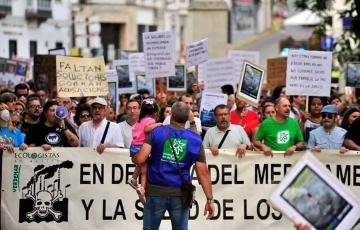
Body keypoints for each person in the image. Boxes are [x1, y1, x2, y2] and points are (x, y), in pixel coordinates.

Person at [134, 101, 215, 229]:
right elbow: (203, 172)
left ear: (171, 115)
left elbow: (140, 159)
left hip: (155, 191)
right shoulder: (195, 139)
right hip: (180, 194)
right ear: (188, 117)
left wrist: (134, 155)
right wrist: (210, 200)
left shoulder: (156, 132)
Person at [128, 98, 161, 204]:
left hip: (133, 148)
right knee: (145, 170)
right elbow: (146, 129)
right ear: (154, 112)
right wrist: (158, 124)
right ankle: (142, 188)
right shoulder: (151, 121)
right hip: (141, 148)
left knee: (139, 165)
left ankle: (133, 179)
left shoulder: (138, 121)